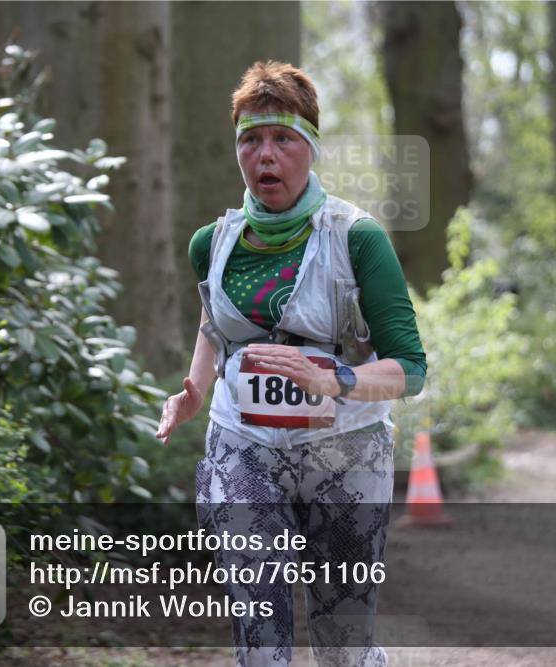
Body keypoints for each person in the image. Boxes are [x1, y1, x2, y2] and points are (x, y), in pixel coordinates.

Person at [155, 61, 426, 667]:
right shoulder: (213, 242)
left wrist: (336, 379)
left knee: (342, 644)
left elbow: (411, 366)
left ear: (311, 147)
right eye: (250, 140)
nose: (265, 155)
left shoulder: (357, 238)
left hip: (346, 448)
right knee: (259, 632)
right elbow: (214, 322)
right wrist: (196, 390)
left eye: (283, 139)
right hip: (242, 443)